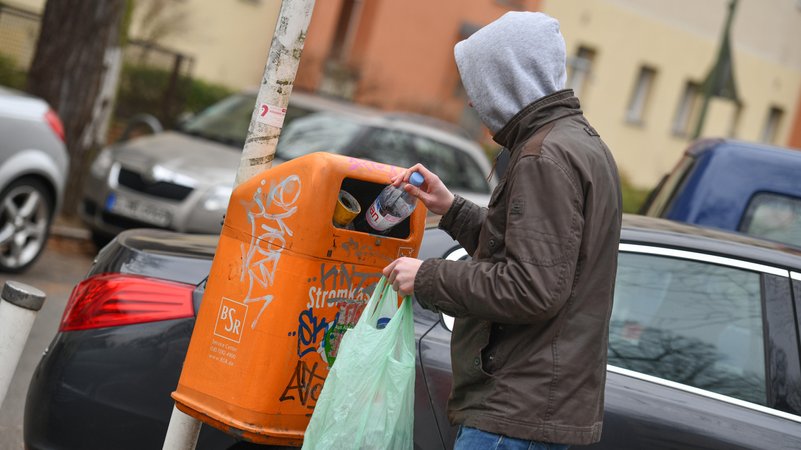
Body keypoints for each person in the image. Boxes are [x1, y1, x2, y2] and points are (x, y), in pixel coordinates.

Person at [383, 11, 622, 450]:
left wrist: (427, 277)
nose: (472, 102)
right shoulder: (582, 144)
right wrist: (451, 208)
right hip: (539, 408)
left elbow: (531, 286)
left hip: (515, 416)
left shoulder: (543, 157)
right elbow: (540, 258)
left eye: (477, 85)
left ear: (506, 78)